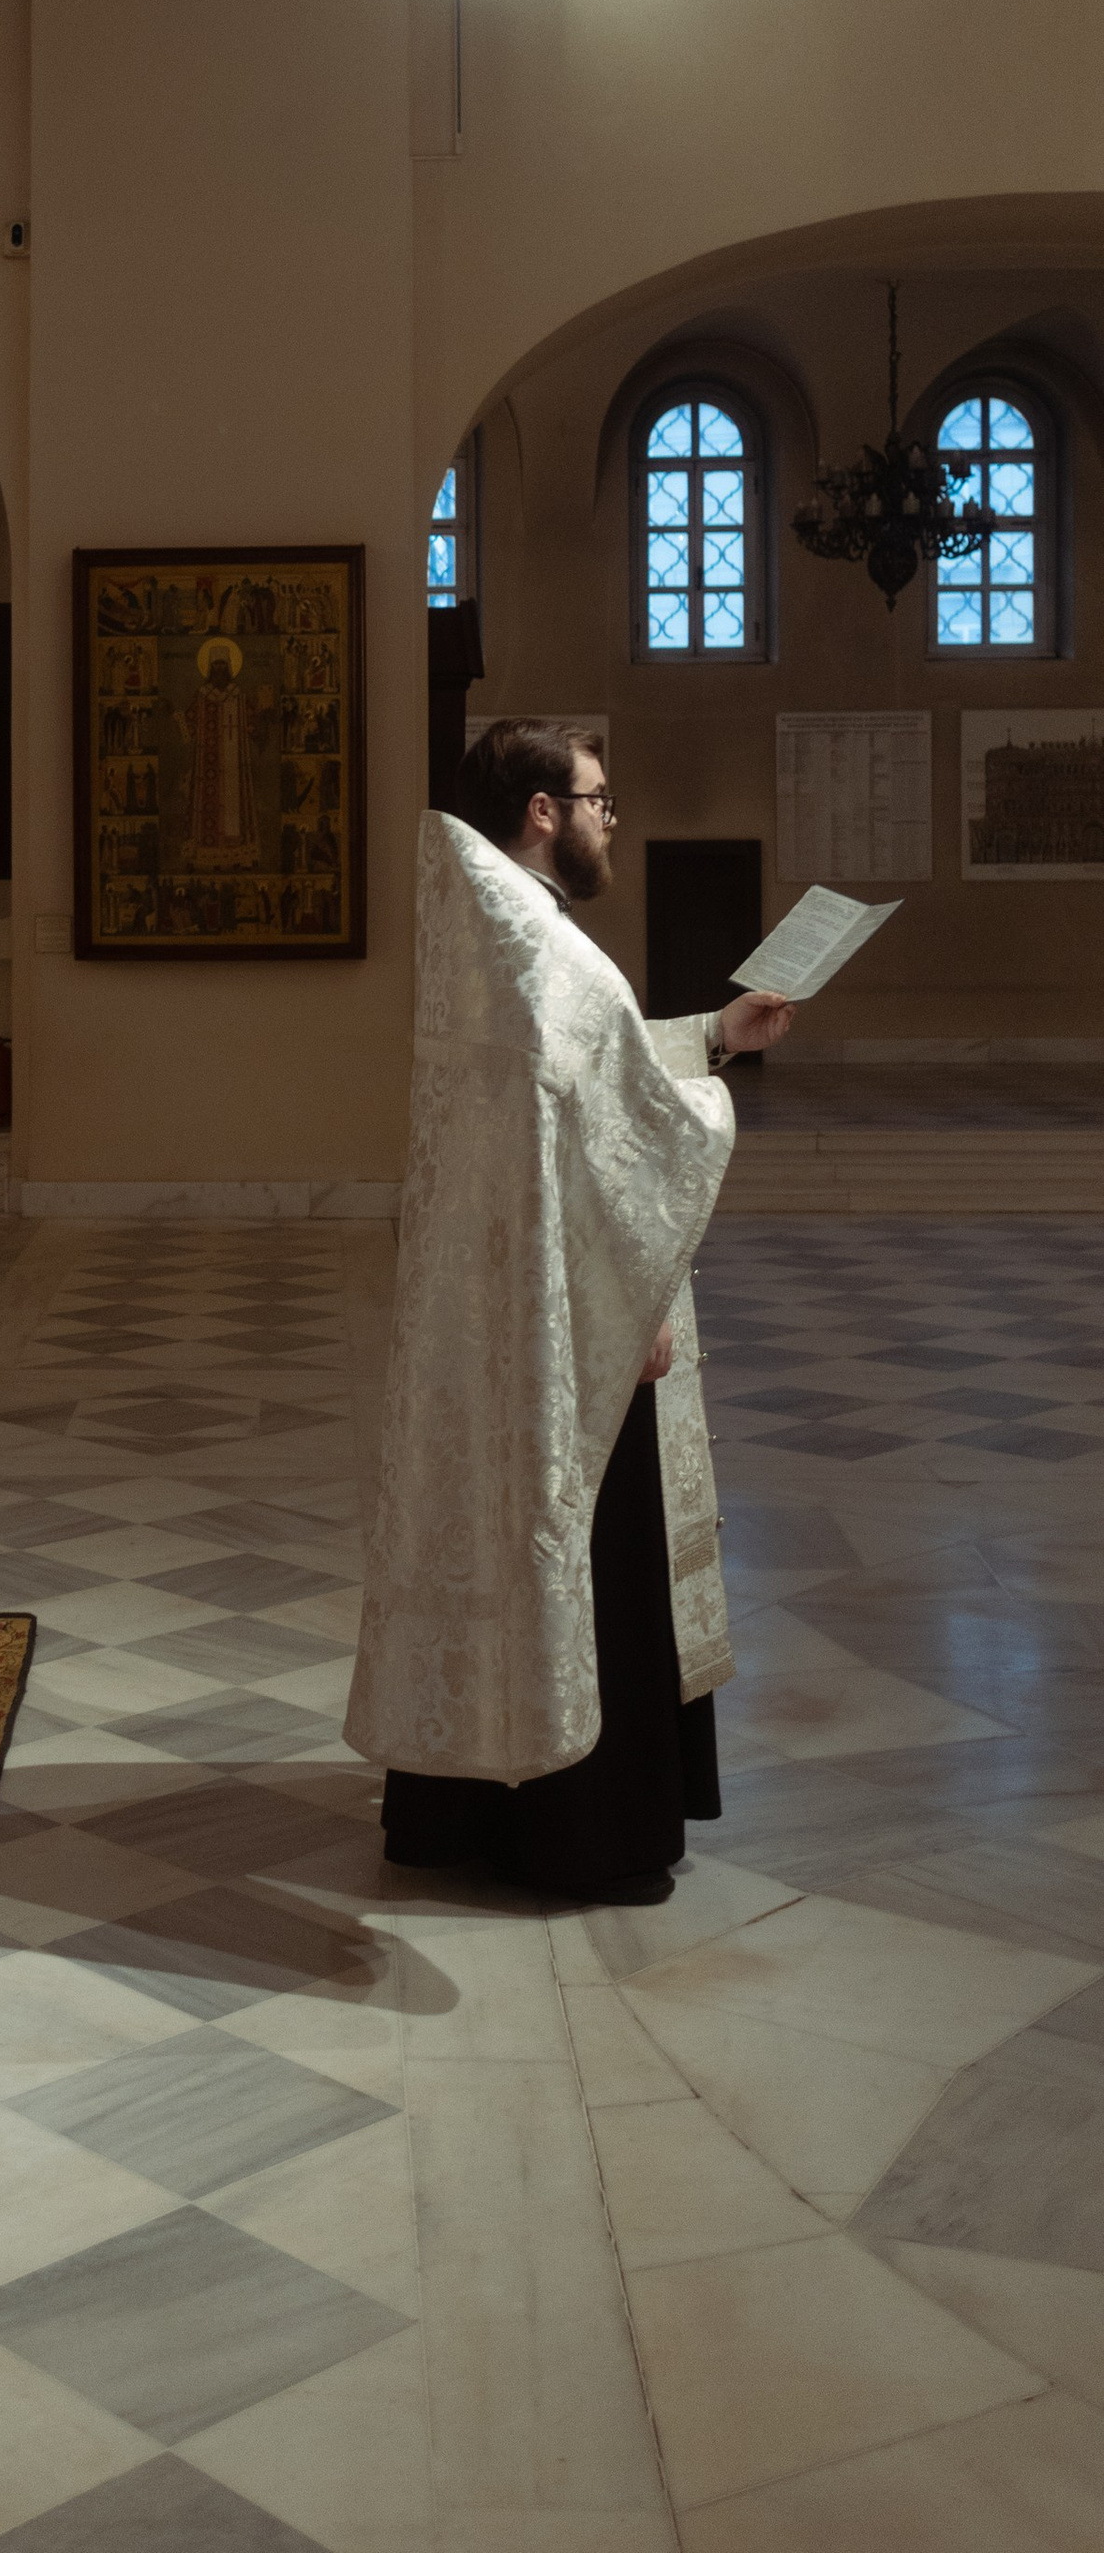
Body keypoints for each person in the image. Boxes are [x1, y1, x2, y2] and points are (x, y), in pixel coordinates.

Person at [344, 721, 793, 1908]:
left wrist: (712, 1034)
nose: (610, 820)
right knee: (589, 1548)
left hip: (496, 1308)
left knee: (498, 1534)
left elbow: (582, 1088)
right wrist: (627, 1285)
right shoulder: (547, 950)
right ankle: (585, 1834)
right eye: (596, 799)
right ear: (539, 812)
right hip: (570, 1312)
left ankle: (464, 1813)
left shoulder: (492, 930)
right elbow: (610, 1127)